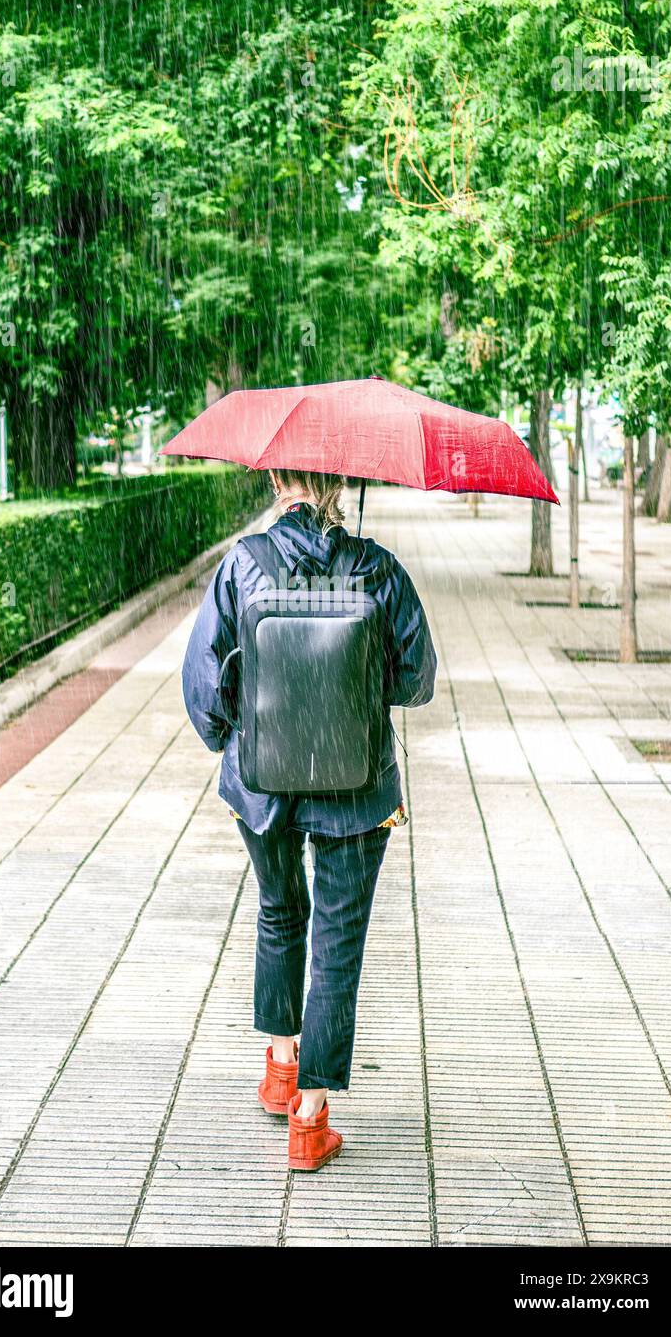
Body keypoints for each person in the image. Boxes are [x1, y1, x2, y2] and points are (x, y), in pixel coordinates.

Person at [182, 469, 436, 1171]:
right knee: (336, 942)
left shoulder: (243, 565)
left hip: (262, 782)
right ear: (341, 481)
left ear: (273, 476)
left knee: (277, 910)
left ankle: (279, 1063)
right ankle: (310, 1117)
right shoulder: (377, 570)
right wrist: (351, 684)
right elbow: (416, 679)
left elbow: (204, 686)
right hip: (353, 787)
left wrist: (236, 739)